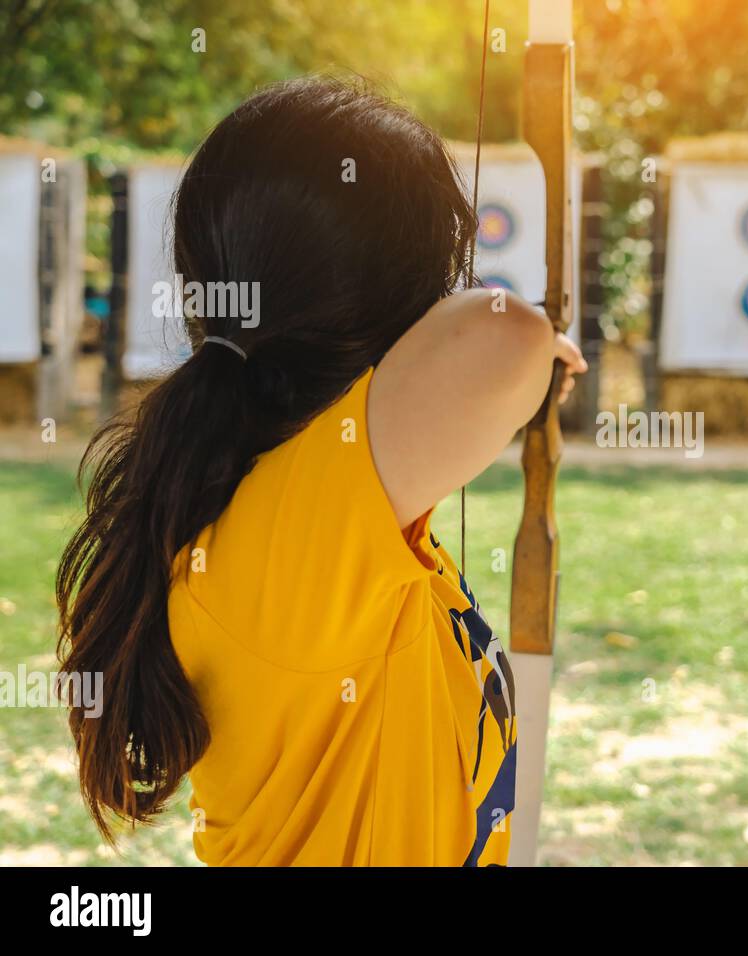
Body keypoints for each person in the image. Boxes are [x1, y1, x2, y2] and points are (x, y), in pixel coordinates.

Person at [55, 76, 586, 866]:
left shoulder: (304, 505)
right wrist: (527, 351)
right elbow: (497, 340)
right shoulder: (290, 537)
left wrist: (530, 365)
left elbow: (489, 362)